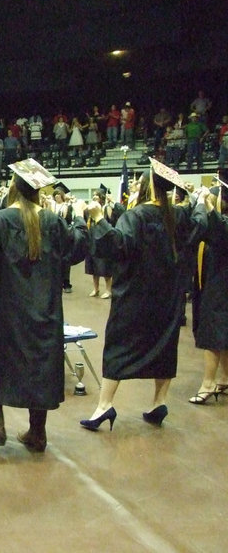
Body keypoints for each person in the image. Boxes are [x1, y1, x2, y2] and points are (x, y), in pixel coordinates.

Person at [0, 159, 89, 452]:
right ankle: (37, 432)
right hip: (45, 311)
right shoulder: (51, 220)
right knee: (40, 366)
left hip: (7, 311)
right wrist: (83, 220)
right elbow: (76, 247)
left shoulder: (1, 220)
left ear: (13, 186)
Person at [81, 159, 208, 431]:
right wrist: (198, 200)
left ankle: (104, 405)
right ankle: (158, 402)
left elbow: (116, 247)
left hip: (135, 297)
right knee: (164, 346)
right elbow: (200, 222)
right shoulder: (179, 215)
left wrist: (99, 219)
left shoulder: (135, 216)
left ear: (148, 186)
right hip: (167, 297)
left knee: (118, 346)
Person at [189, 177, 228, 404]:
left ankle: (208, 383)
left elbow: (221, 231)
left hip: (220, 285)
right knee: (221, 332)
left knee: (212, 334)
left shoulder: (222, 224)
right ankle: (223, 378)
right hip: (212, 282)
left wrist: (210, 205)